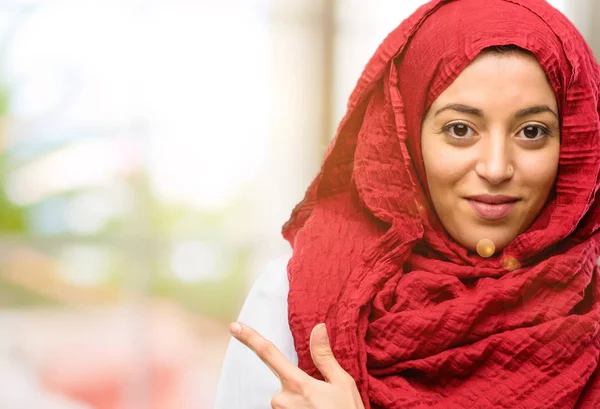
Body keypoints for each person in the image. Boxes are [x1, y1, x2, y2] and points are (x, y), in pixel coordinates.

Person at [215, 0, 600, 407]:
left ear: (575, 142)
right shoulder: (297, 300)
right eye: (460, 129)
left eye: (532, 131)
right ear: (405, 140)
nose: (495, 167)